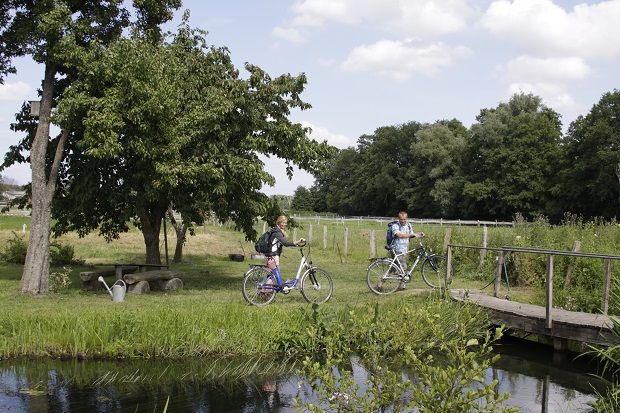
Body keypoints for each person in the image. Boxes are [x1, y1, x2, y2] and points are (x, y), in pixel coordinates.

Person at [265, 215, 305, 285]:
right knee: (274, 276)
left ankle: (266, 293)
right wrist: (298, 241)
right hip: (273, 256)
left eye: (286, 223)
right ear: (279, 222)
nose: (285, 224)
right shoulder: (277, 232)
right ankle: (265, 292)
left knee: (271, 275)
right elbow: (285, 243)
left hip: (269, 256)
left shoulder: (275, 230)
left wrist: (294, 244)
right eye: (283, 223)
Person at [390, 211, 424, 291]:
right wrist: (411, 235)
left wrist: (418, 234)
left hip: (403, 250)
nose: (403, 221)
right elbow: (399, 235)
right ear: (399, 219)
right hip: (396, 249)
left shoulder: (408, 225)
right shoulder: (395, 225)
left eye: (404, 219)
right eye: (401, 219)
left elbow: (411, 234)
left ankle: (379, 285)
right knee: (403, 267)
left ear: (407, 218)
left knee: (393, 268)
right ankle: (401, 286)